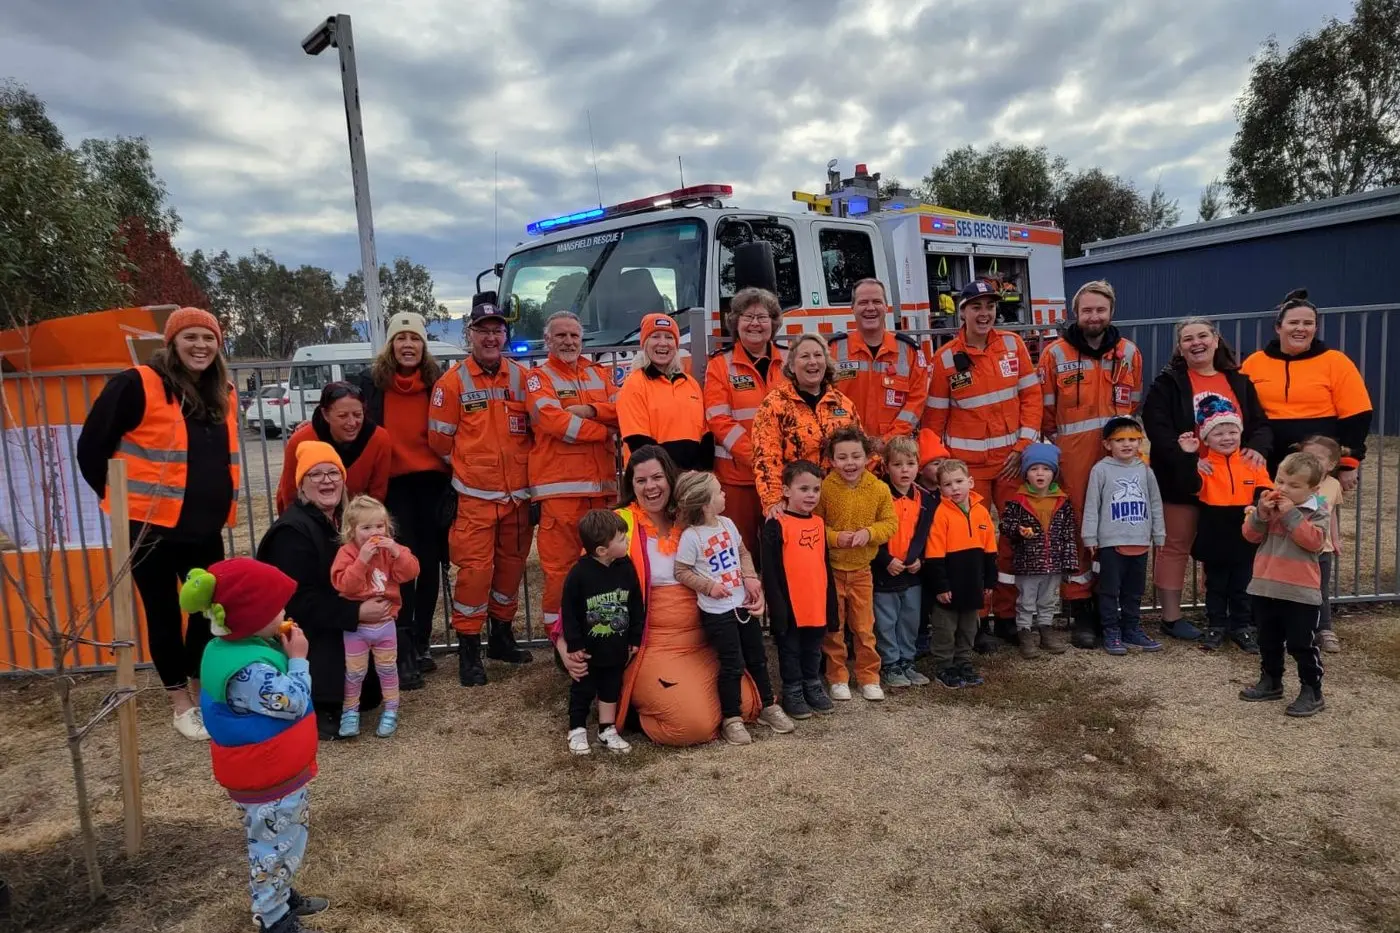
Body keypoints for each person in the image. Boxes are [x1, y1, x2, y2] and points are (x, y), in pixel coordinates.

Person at [77, 306, 241, 740]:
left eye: (208, 338)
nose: (200, 346)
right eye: (190, 337)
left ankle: (197, 685)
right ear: (171, 343)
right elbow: (91, 448)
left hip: (204, 526)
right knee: (164, 612)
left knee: (209, 610)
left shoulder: (222, 390)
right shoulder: (136, 384)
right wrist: (119, 501)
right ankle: (179, 702)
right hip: (149, 529)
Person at [557, 446, 760, 746]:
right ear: (631, 486)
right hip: (650, 645)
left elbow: (733, 554)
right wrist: (563, 645)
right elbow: (580, 590)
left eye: (657, 477)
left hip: (704, 638)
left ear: (670, 478)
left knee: (744, 707)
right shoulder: (616, 527)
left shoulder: (694, 518)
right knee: (694, 727)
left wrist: (752, 583)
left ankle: (677, 701)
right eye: (641, 481)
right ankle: (636, 710)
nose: (650, 487)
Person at [181, 558, 328, 933]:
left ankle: (280, 893)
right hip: (267, 781)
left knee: (280, 839)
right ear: (251, 617)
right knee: (274, 846)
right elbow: (291, 701)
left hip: (267, 775)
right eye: (276, 608)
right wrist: (298, 660)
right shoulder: (251, 671)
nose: (284, 613)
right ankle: (273, 917)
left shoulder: (230, 648)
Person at [924, 280, 1041, 644]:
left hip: (1010, 463)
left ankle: (1007, 615)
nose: (984, 312)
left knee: (1011, 540)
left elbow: (1032, 398)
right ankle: (976, 621)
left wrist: (1022, 447)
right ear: (962, 312)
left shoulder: (1013, 344)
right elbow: (933, 422)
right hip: (968, 471)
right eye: (976, 306)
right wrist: (944, 468)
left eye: (990, 305)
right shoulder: (944, 360)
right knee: (970, 546)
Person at [1142, 317, 1272, 641]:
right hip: (1184, 481)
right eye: (1188, 338)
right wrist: (1189, 462)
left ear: (1216, 340)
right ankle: (1171, 617)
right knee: (1176, 545)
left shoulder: (1238, 381)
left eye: (1203, 336)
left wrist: (1257, 448)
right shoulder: (1168, 383)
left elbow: (1260, 424)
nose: (1196, 343)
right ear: (1180, 347)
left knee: (1235, 548)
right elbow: (1157, 429)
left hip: (1233, 487)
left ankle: (1236, 616)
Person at [429, 300, 534, 687]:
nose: (491, 337)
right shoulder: (451, 383)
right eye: (483, 329)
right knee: (474, 574)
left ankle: (501, 638)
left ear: (505, 335)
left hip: (518, 498)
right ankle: (469, 649)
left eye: (498, 329)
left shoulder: (524, 378)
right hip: (474, 499)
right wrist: (474, 469)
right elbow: (440, 442)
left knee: (511, 569)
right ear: (469, 334)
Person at [1037, 280, 1143, 647]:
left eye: (1100, 310)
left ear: (1111, 312)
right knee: (1082, 527)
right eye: (1087, 310)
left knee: (1118, 526)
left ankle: (1109, 605)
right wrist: (1064, 447)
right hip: (1076, 455)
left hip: (1119, 455)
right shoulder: (1055, 354)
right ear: (1076, 313)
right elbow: (1046, 412)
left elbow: (1134, 404)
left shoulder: (1129, 352)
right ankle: (1081, 607)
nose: (1093, 316)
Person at [257, 443, 385, 741]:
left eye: (333, 473)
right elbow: (298, 603)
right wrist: (356, 613)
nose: (326, 481)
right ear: (301, 485)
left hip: (333, 615)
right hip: (301, 628)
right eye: (315, 475)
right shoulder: (292, 532)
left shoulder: (340, 521)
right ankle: (320, 703)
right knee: (329, 637)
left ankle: (345, 694)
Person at [354, 311, 450, 690]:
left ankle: (422, 642)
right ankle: (402, 643)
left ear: (423, 346)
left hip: (432, 483)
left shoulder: (437, 383)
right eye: (400, 338)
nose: (408, 345)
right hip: (392, 487)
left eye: (415, 339)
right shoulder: (370, 383)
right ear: (390, 346)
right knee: (395, 566)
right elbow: (341, 413)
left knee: (427, 567)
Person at [673, 471, 793, 744]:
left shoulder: (727, 524)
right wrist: (708, 586)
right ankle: (731, 717)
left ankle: (767, 705)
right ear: (705, 504)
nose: (724, 495)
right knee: (732, 664)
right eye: (719, 492)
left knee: (758, 657)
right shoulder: (692, 537)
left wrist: (750, 578)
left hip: (742, 605)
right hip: (717, 612)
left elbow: (742, 553)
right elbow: (681, 571)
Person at [527, 310, 620, 638]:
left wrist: (591, 411)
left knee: (605, 567)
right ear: (548, 340)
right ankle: (560, 638)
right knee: (561, 572)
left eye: (574, 336)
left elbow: (621, 411)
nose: (568, 341)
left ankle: (603, 634)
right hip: (560, 496)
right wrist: (602, 430)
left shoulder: (599, 374)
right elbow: (553, 421)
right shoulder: (539, 378)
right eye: (561, 336)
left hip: (603, 493)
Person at [1240, 289, 1372, 484]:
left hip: (1317, 461)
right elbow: (1241, 410)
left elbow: (1357, 416)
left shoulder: (1336, 362)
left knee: (1317, 514)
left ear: (1315, 328)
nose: (1300, 328)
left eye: (1308, 323)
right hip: (1264, 460)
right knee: (1264, 512)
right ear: (1278, 327)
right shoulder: (1254, 362)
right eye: (1293, 322)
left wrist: (1349, 462)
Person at [1239, 451, 1330, 717]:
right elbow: (1250, 536)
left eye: (1294, 485)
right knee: (1268, 639)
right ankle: (1271, 681)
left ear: (1313, 489)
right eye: (1279, 481)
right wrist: (1260, 514)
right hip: (1265, 586)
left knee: (1301, 644)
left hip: (1300, 592)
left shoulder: (1317, 511)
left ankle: (1312, 690)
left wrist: (1291, 515)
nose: (1282, 489)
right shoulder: (1270, 508)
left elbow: (1314, 542)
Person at [1177, 407, 1272, 654]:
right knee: (1216, 584)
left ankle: (1242, 625)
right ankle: (1216, 624)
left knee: (1243, 583)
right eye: (1219, 434)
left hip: (1245, 532)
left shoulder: (1253, 462)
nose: (1227, 437)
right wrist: (1190, 457)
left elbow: (1265, 489)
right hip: (1214, 531)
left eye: (1233, 432)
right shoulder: (1204, 466)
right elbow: (1189, 486)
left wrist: (1259, 503)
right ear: (1206, 440)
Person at [815, 426, 897, 703]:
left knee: (864, 628)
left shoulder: (879, 489)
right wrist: (836, 538)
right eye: (842, 457)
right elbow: (814, 525)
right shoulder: (825, 488)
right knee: (834, 628)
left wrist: (870, 533)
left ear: (867, 457)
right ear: (832, 460)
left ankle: (869, 677)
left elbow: (890, 523)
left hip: (863, 571)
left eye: (856, 456)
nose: (850, 463)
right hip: (832, 571)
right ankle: (837, 677)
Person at [704, 287, 787, 556]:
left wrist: (778, 463)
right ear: (735, 322)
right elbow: (719, 420)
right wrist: (761, 459)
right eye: (747, 317)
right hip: (738, 479)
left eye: (762, 317)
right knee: (742, 551)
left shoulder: (790, 359)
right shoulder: (720, 364)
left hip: (785, 477)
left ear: (773, 323)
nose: (755, 324)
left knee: (783, 551)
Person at [329, 495, 420, 738]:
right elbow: (344, 585)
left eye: (379, 526)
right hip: (357, 628)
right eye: (366, 528)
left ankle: (391, 709)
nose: (373, 533)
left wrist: (397, 552)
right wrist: (362, 560)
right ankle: (350, 712)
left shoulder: (392, 551)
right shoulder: (346, 554)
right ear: (351, 530)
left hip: (386, 624)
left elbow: (410, 572)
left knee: (387, 669)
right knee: (355, 672)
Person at [760, 460, 839, 720]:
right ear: (786, 490)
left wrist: (830, 604)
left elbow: (824, 565)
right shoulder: (776, 524)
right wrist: (777, 606)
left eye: (816, 489)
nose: (811, 495)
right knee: (790, 649)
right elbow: (770, 571)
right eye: (803, 489)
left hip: (815, 602)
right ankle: (792, 690)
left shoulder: (818, 522)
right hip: (791, 605)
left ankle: (812, 684)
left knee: (813, 648)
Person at [751, 332, 861, 517]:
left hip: (840, 503)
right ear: (792, 366)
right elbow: (766, 457)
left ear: (826, 363)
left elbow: (861, 451)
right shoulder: (774, 405)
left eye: (818, 355)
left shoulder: (844, 404)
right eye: (805, 356)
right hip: (796, 508)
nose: (813, 362)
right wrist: (773, 500)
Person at [560, 509, 642, 756]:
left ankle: (607, 729)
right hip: (587, 648)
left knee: (610, 687)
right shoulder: (579, 574)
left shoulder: (626, 568)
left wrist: (635, 638)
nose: (627, 541)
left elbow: (636, 604)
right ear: (602, 550)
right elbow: (569, 609)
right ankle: (577, 728)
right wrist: (573, 644)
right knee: (582, 688)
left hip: (616, 646)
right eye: (621, 539)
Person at [1082, 417, 1166, 656]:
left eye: (1132, 439)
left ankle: (1131, 627)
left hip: (1139, 540)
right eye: (1120, 440)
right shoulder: (1101, 470)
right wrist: (1090, 537)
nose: (1127, 444)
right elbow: (1092, 505)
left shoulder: (1145, 470)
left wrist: (1158, 534)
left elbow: (1155, 504)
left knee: (1134, 590)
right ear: (1108, 444)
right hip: (1111, 542)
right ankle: (1110, 629)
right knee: (1109, 590)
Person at [997, 442, 1076, 658]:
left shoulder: (1062, 500)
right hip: (1028, 563)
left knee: (1048, 599)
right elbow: (1005, 525)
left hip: (1054, 563)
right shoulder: (1017, 500)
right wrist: (1018, 531)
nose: (1040, 473)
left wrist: (1069, 563)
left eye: (1046, 469)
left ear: (1054, 473)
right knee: (1026, 600)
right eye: (1034, 469)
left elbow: (1068, 533)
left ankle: (1046, 629)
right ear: (1026, 474)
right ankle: (1025, 632)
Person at [827, 278, 928, 446]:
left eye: (877, 302)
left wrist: (888, 440)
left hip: (893, 452)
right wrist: (851, 442)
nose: (870, 308)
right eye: (863, 302)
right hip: (847, 451)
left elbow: (916, 402)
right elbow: (825, 401)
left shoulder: (909, 351)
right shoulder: (834, 350)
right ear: (852, 308)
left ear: (886, 307)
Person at [925, 459, 998, 688]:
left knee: (968, 626)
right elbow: (934, 554)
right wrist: (941, 586)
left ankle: (963, 661)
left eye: (958, 482)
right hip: (949, 583)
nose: (954, 488)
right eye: (947, 484)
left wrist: (989, 580)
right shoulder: (941, 514)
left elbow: (990, 549)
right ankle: (945, 666)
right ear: (940, 489)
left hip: (973, 581)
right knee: (945, 627)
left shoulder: (981, 512)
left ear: (970, 482)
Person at [871, 436, 935, 687]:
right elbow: (871, 531)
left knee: (910, 618)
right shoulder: (878, 493)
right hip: (885, 568)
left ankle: (907, 660)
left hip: (912, 570)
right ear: (886, 467)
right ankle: (890, 663)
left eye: (910, 463)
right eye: (898, 465)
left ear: (918, 465)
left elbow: (927, 533)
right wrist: (885, 559)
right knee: (886, 619)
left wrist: (920, 559)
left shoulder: (925, 497)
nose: (905, 470)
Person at [274, 382, 391, 515]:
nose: (352, 423)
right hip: (311, 517)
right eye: (342, 416)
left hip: (358, 517)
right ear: (325, 414)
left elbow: (377, 493)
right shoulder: (301, 440)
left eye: (358, 415)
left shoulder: (379, 438)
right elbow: (290, 493)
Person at [616, 313, 712, 470]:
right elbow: (637, 441)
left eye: (669, 337)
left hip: (691, 481)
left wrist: (701, 475)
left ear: (676, 344)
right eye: (655, 336)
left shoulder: (690, 383)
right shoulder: (634, 384)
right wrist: (668, 476)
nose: (663, 343)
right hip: (654, 480)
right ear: (644, 343)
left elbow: (705, 435)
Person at [1298, 436, 1345, 653]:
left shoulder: (1334, 485)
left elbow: (1331, 513)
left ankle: (1324, 629)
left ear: (1332, 464)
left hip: (1322, 549)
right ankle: (1297, 629)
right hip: (1297, 547)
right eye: (1307, 457)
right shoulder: (1296, 481)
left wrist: (1335, 538)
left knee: (1320, 591)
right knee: (1296, 590)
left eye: (1317, 458)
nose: (1311, 462)